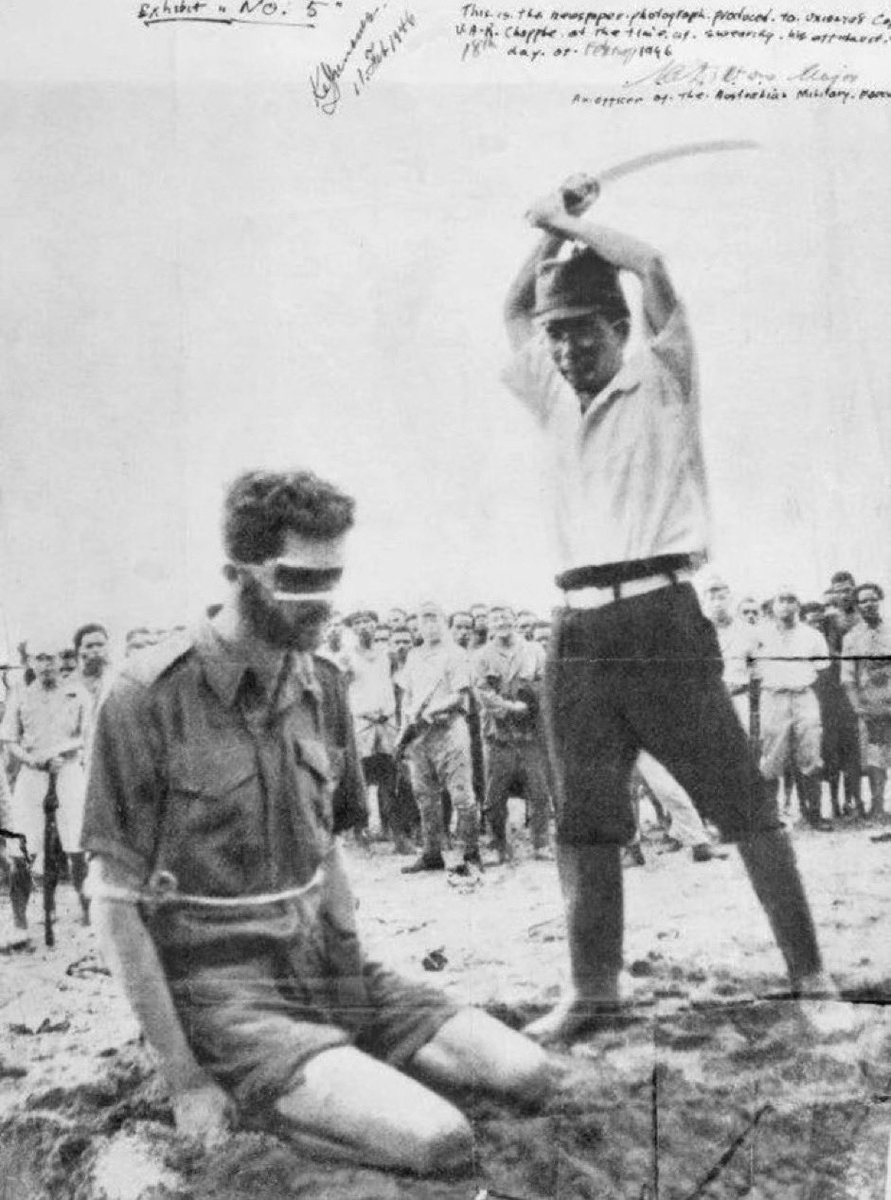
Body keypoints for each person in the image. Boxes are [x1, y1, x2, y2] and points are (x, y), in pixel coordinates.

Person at [82, 469, 550, 1169]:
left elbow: (326, 849)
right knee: (439, 1140)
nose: (324, 600)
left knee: (525, 1073)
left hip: (321, 966)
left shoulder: (320, 683)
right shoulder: (145, 698)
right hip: (222, 995)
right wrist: (186, 1081)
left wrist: (349, 985)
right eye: (300, 580)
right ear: (237, 574)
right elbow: (114, 906)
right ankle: (273, 1098)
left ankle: (333, 1071)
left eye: (333, 578)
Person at [502, 171, 836, 1044]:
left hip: (659, 617)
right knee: (583, 819)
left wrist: (564, 220)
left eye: (581, 329)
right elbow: (511, 311)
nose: (565, 347)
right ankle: (593, 991)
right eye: (555, 333)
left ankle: (809, 976)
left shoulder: (663, 376)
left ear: (621, 328)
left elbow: (649, 264)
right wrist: (550, 235)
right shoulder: (549, 396)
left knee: (738, 799)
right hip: (575, 629)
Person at [0, 638, 90, 934]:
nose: (47, 665)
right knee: (22, 849)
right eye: (40, 658)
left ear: (61, 660)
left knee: (78, 845)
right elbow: (9, 739)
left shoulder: (77, 693)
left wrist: (61, 752)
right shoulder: (20, 695)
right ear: (30, 662)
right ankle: (19, 921)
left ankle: (89, 914)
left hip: (68, 772)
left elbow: (88, 735)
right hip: (32, 775)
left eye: (52, 658)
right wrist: (33, 760)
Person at [397, 602, 481, 875]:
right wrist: (405, 726)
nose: (430, 625)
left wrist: (432, 710)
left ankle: (468, 853)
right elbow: (407, 695)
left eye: (435, 618)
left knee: (461, 794)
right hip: (420, 735)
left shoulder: (456, 654)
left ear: (444, 622)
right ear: (418, 626)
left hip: (449, 730)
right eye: (424, 619)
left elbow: (460, 695)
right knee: (425, 796)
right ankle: (432, 853)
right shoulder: (413, 656)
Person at [473, 604, 551, 862]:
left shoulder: (534, 650)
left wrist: (527, 705)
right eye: (496, 619)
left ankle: (541, 844)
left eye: (506, 618)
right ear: (489, 625)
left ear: (515, 621)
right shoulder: (482, 656)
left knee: (539, 792)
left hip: (530, 734)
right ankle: (498, 846)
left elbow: (544, 682)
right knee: (495, 797)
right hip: (499, 735)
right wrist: (509, 707)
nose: (501, 623)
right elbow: (482, 691)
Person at [757, 589, 832, 831]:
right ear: (773, 605)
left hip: (803, 695)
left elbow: (823, 671)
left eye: (792, 600)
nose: (787, 605)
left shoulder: (812, 635)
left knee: (811, 753)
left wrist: (813, 701)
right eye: (782, 600)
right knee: (771, 757)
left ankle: (814, 814)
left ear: (798, 605)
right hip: (773, 696)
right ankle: (770, 818)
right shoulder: (759, 634)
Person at [344, 610, 400, 846]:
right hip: (362, 722)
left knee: (389, 775)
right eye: (358, 623)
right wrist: (361, 712)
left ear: (376, 625)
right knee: (361, 778)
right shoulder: (347, 657)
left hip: (386, 721)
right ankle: (360, 830)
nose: (363, 626)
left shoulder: (388, 654)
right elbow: (343, 690)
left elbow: (394, 684)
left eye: (367, 621)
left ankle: (390, 829)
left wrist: (388, 711)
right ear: (353, 629)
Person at [841, 583, 891, 820]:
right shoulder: (852, 638)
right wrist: (857, 707)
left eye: (872, 599)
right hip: (871, 702)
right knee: (875, 755)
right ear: (857, 606)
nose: (869, 604)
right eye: (863, 601)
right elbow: (848, 677)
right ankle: (878, 805)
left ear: (879, 600)